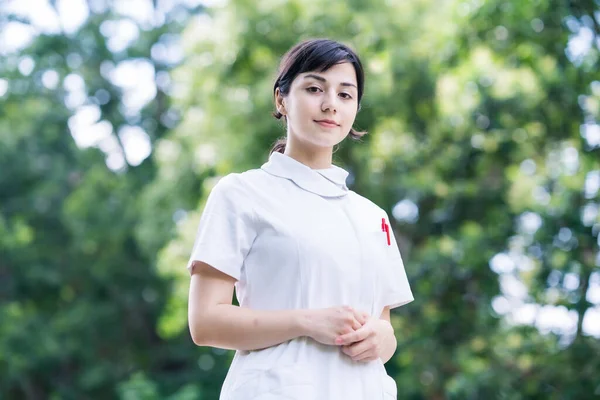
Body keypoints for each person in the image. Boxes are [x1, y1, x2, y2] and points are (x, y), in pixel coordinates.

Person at [187, 38, 413, 400]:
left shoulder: (372, 216)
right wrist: (307, 322)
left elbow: (383, 330)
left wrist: (384, 338)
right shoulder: (242, 194)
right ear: (281, 99)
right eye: (314, 88)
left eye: (345, 95)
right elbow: (205, 322)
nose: (330, 105)